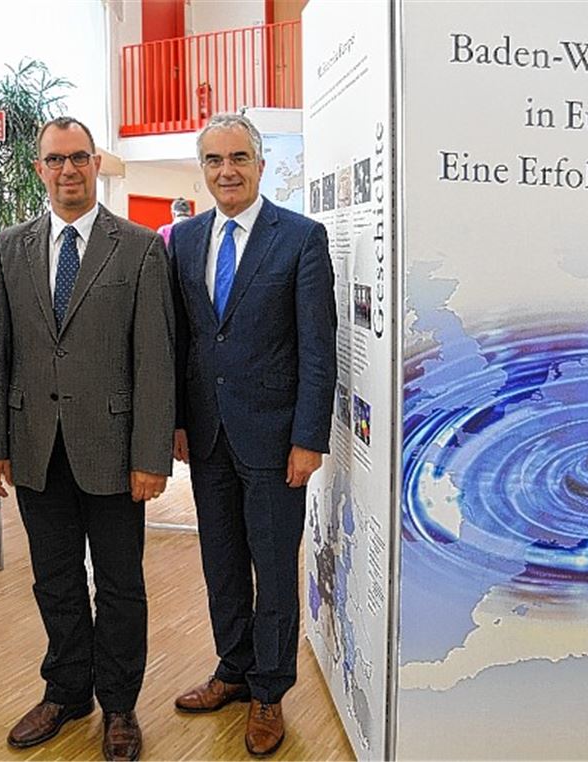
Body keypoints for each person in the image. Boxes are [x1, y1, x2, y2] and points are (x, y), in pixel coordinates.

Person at [0, 116, 175, 762]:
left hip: (114, 450)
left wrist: (151, 455)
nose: (68, 170)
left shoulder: (141, 248)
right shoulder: (8, 247)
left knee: (119, 584)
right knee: (54, 579)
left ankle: (119, 705)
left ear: (97, 165)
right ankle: (67, 690)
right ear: (40, 169)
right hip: (36, 446)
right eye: (56, 159)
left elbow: (155, 361)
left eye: (80, 158)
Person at [168, 113, 336, 756]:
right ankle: (233, 671)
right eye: (214, 160)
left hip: (274, 439)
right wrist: (180, 421)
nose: (227, 171)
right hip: (208, 436)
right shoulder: (183, 240)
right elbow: (185, 341)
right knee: (221, 566)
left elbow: (318, 349)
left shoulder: (300, 238)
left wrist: (308, 438)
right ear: (203, 169)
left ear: (261, 165)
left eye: (239, 157)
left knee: (273, 567)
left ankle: (270, 691)